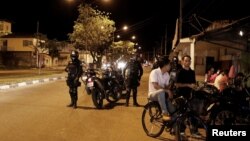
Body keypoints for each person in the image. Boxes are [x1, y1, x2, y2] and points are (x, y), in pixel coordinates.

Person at [175, 54, 201, 137]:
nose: (187, 62)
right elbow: (177, 85)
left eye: (189, 61)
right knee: (182, 114)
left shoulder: (192, 72)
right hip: (181, 96)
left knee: (193, 113)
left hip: (190, 96)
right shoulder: (180, 72)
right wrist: (188, 85)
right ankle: (181, 131)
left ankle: (194, 131)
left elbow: (193, 83)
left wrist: (196, 87)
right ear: (182, 61)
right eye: (186, 60)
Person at [148, 56, 172, 121]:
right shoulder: (154, 72)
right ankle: (165, 114)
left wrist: (170, 86)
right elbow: (155, 86)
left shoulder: (167, 74)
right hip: (152, 95)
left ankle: (175, 128)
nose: (170, 66)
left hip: (163, 95)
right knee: (161, 92)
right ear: (165, 65)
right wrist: (166, 90)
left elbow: (166, 87)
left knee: (173, 110)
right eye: (169, 64)